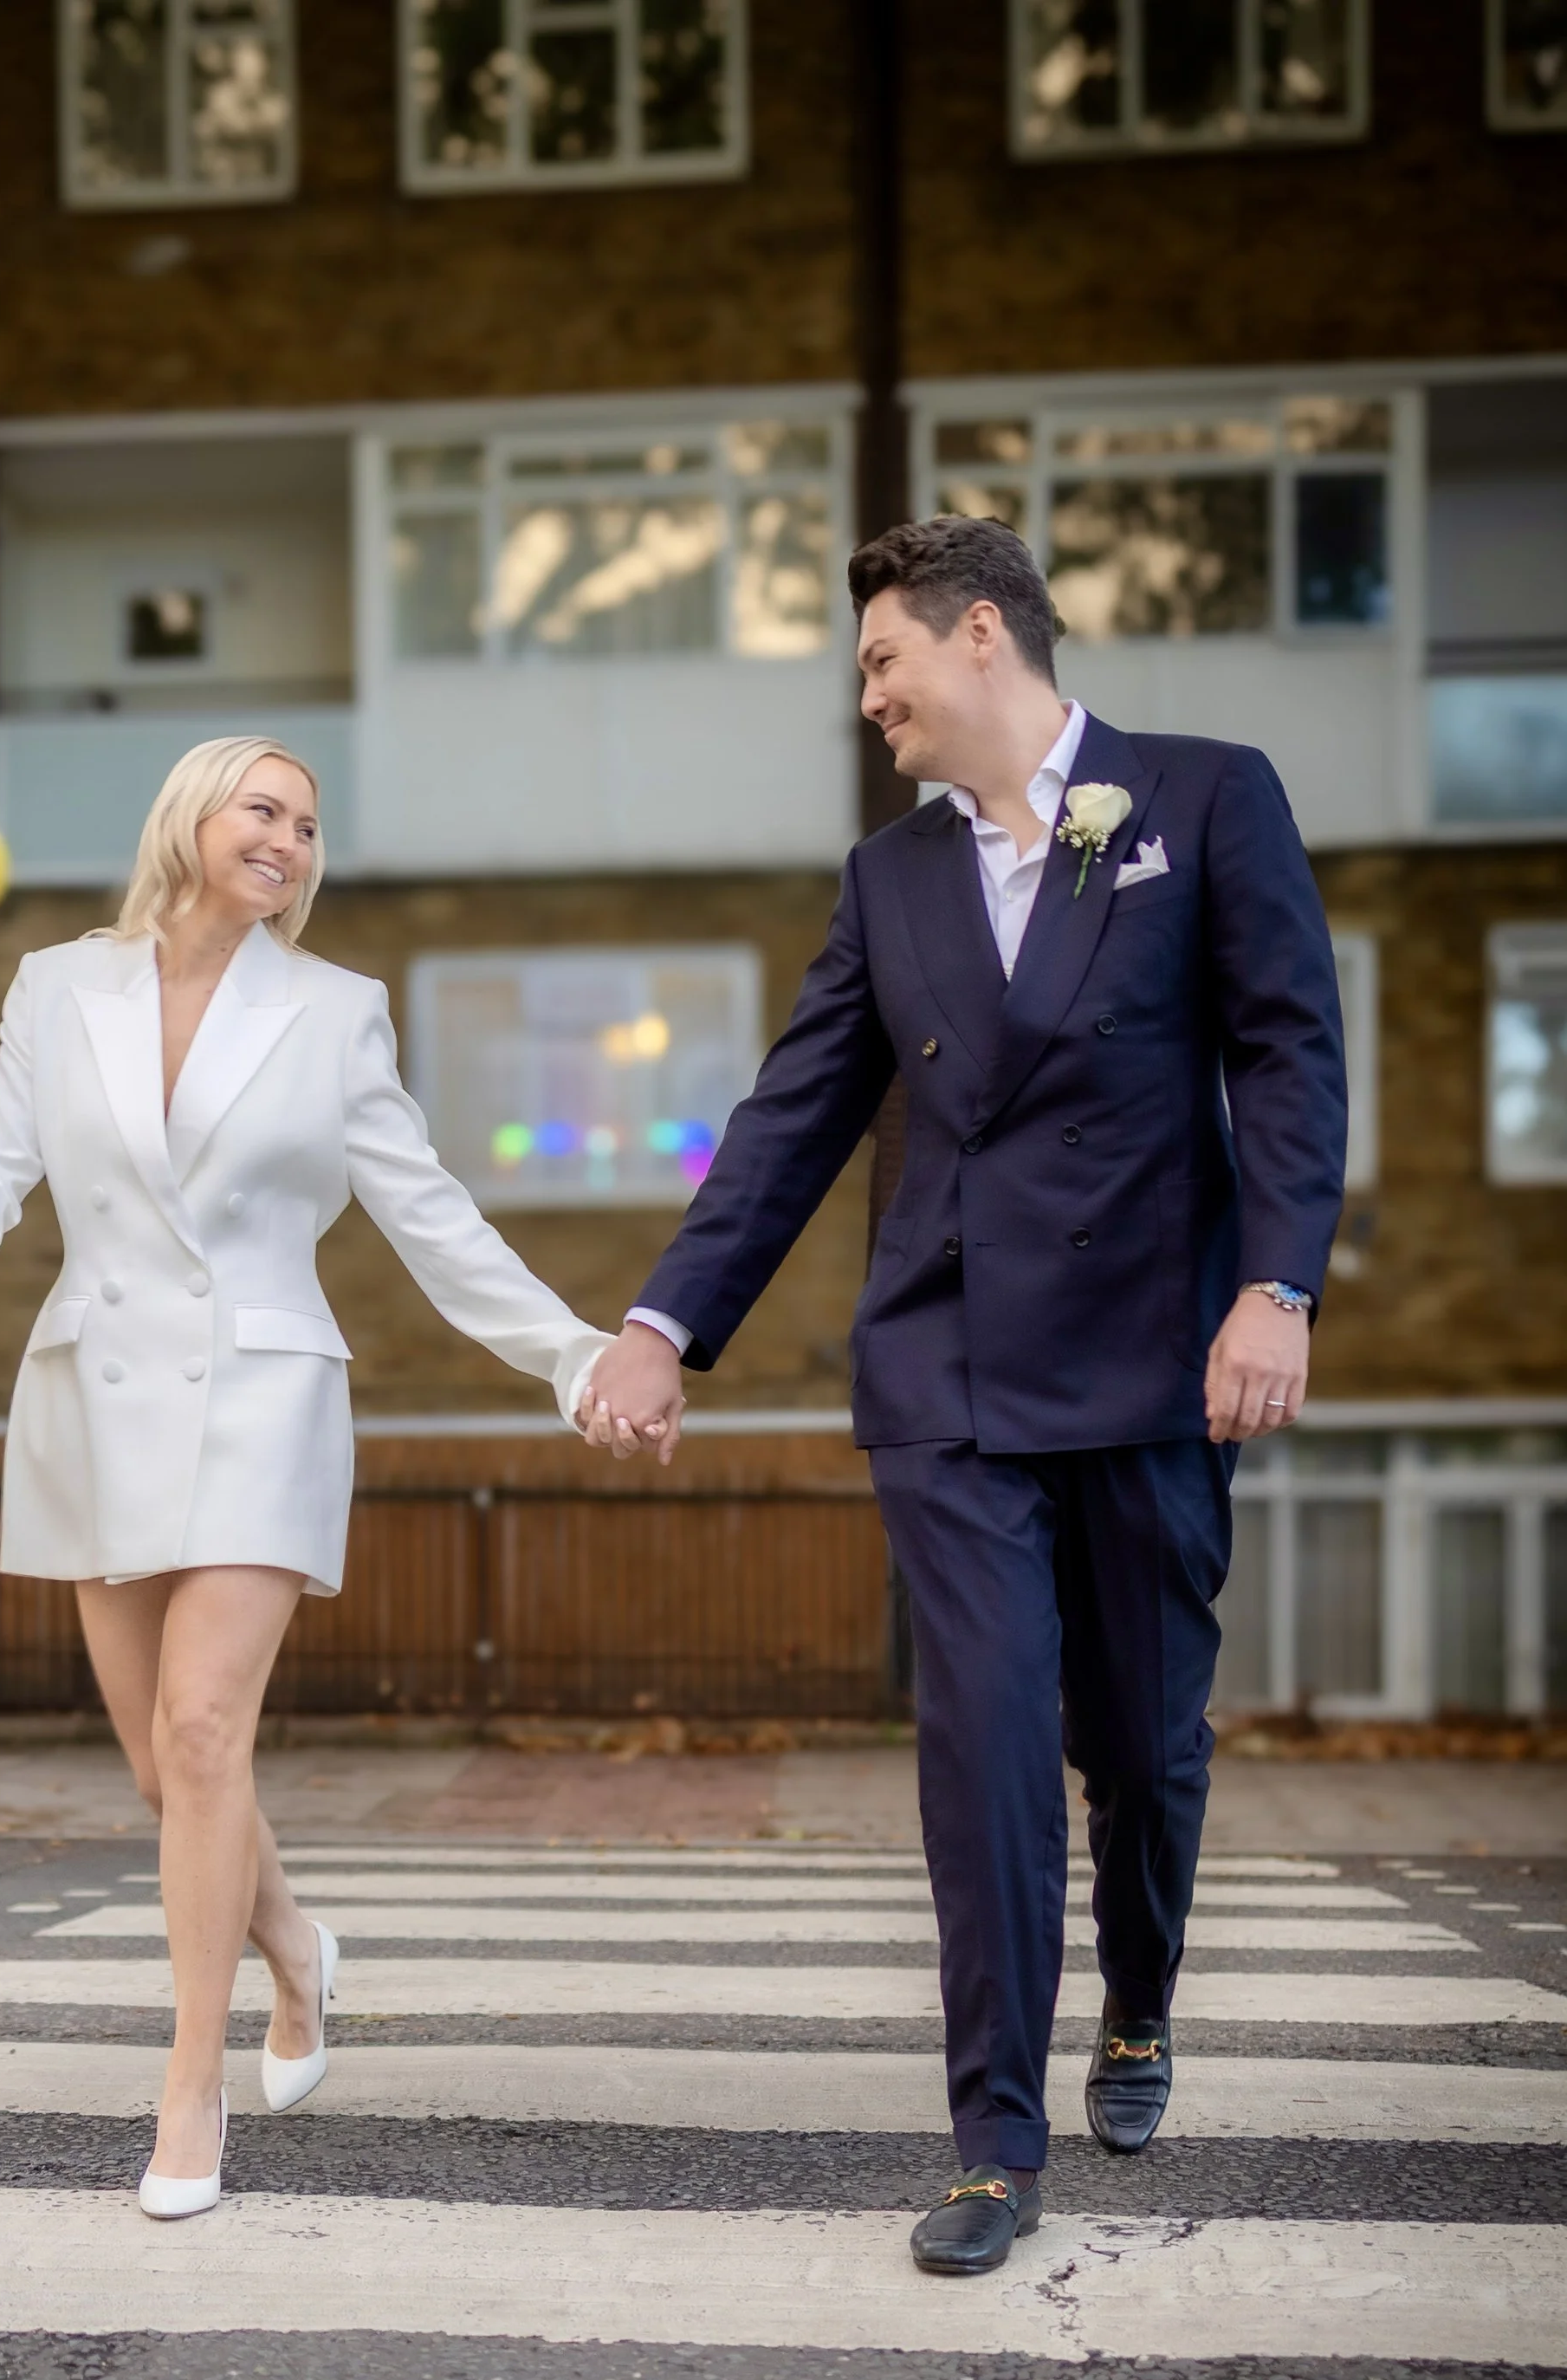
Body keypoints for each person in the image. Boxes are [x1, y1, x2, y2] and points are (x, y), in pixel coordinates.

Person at [576, 516, 1345, 2275]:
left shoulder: (1204, 801)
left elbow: (1287, 1053)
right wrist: (658, 1327)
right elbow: (788, 1119)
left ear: (980, 635)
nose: (870, 702)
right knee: (986, 1738)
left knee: (1139, 1753)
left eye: (880, 663)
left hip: (1154, 1357)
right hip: (944, 1368)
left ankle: (1136, 2004)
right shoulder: (886, 881)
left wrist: (1273, 1284)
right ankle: (991, 2140)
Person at [0, 736, 612, 2220]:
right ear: (192, 814)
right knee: (170, 1769)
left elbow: (431, 1215)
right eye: (265, 808)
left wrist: (568, 1353)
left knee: (206, 1728)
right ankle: (291, 1945)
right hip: (95, 1394)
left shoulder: (334, 1012)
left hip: (261, 1394)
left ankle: (190, 2080)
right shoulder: (54, 985)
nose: (291, 838)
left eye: (308, 823)